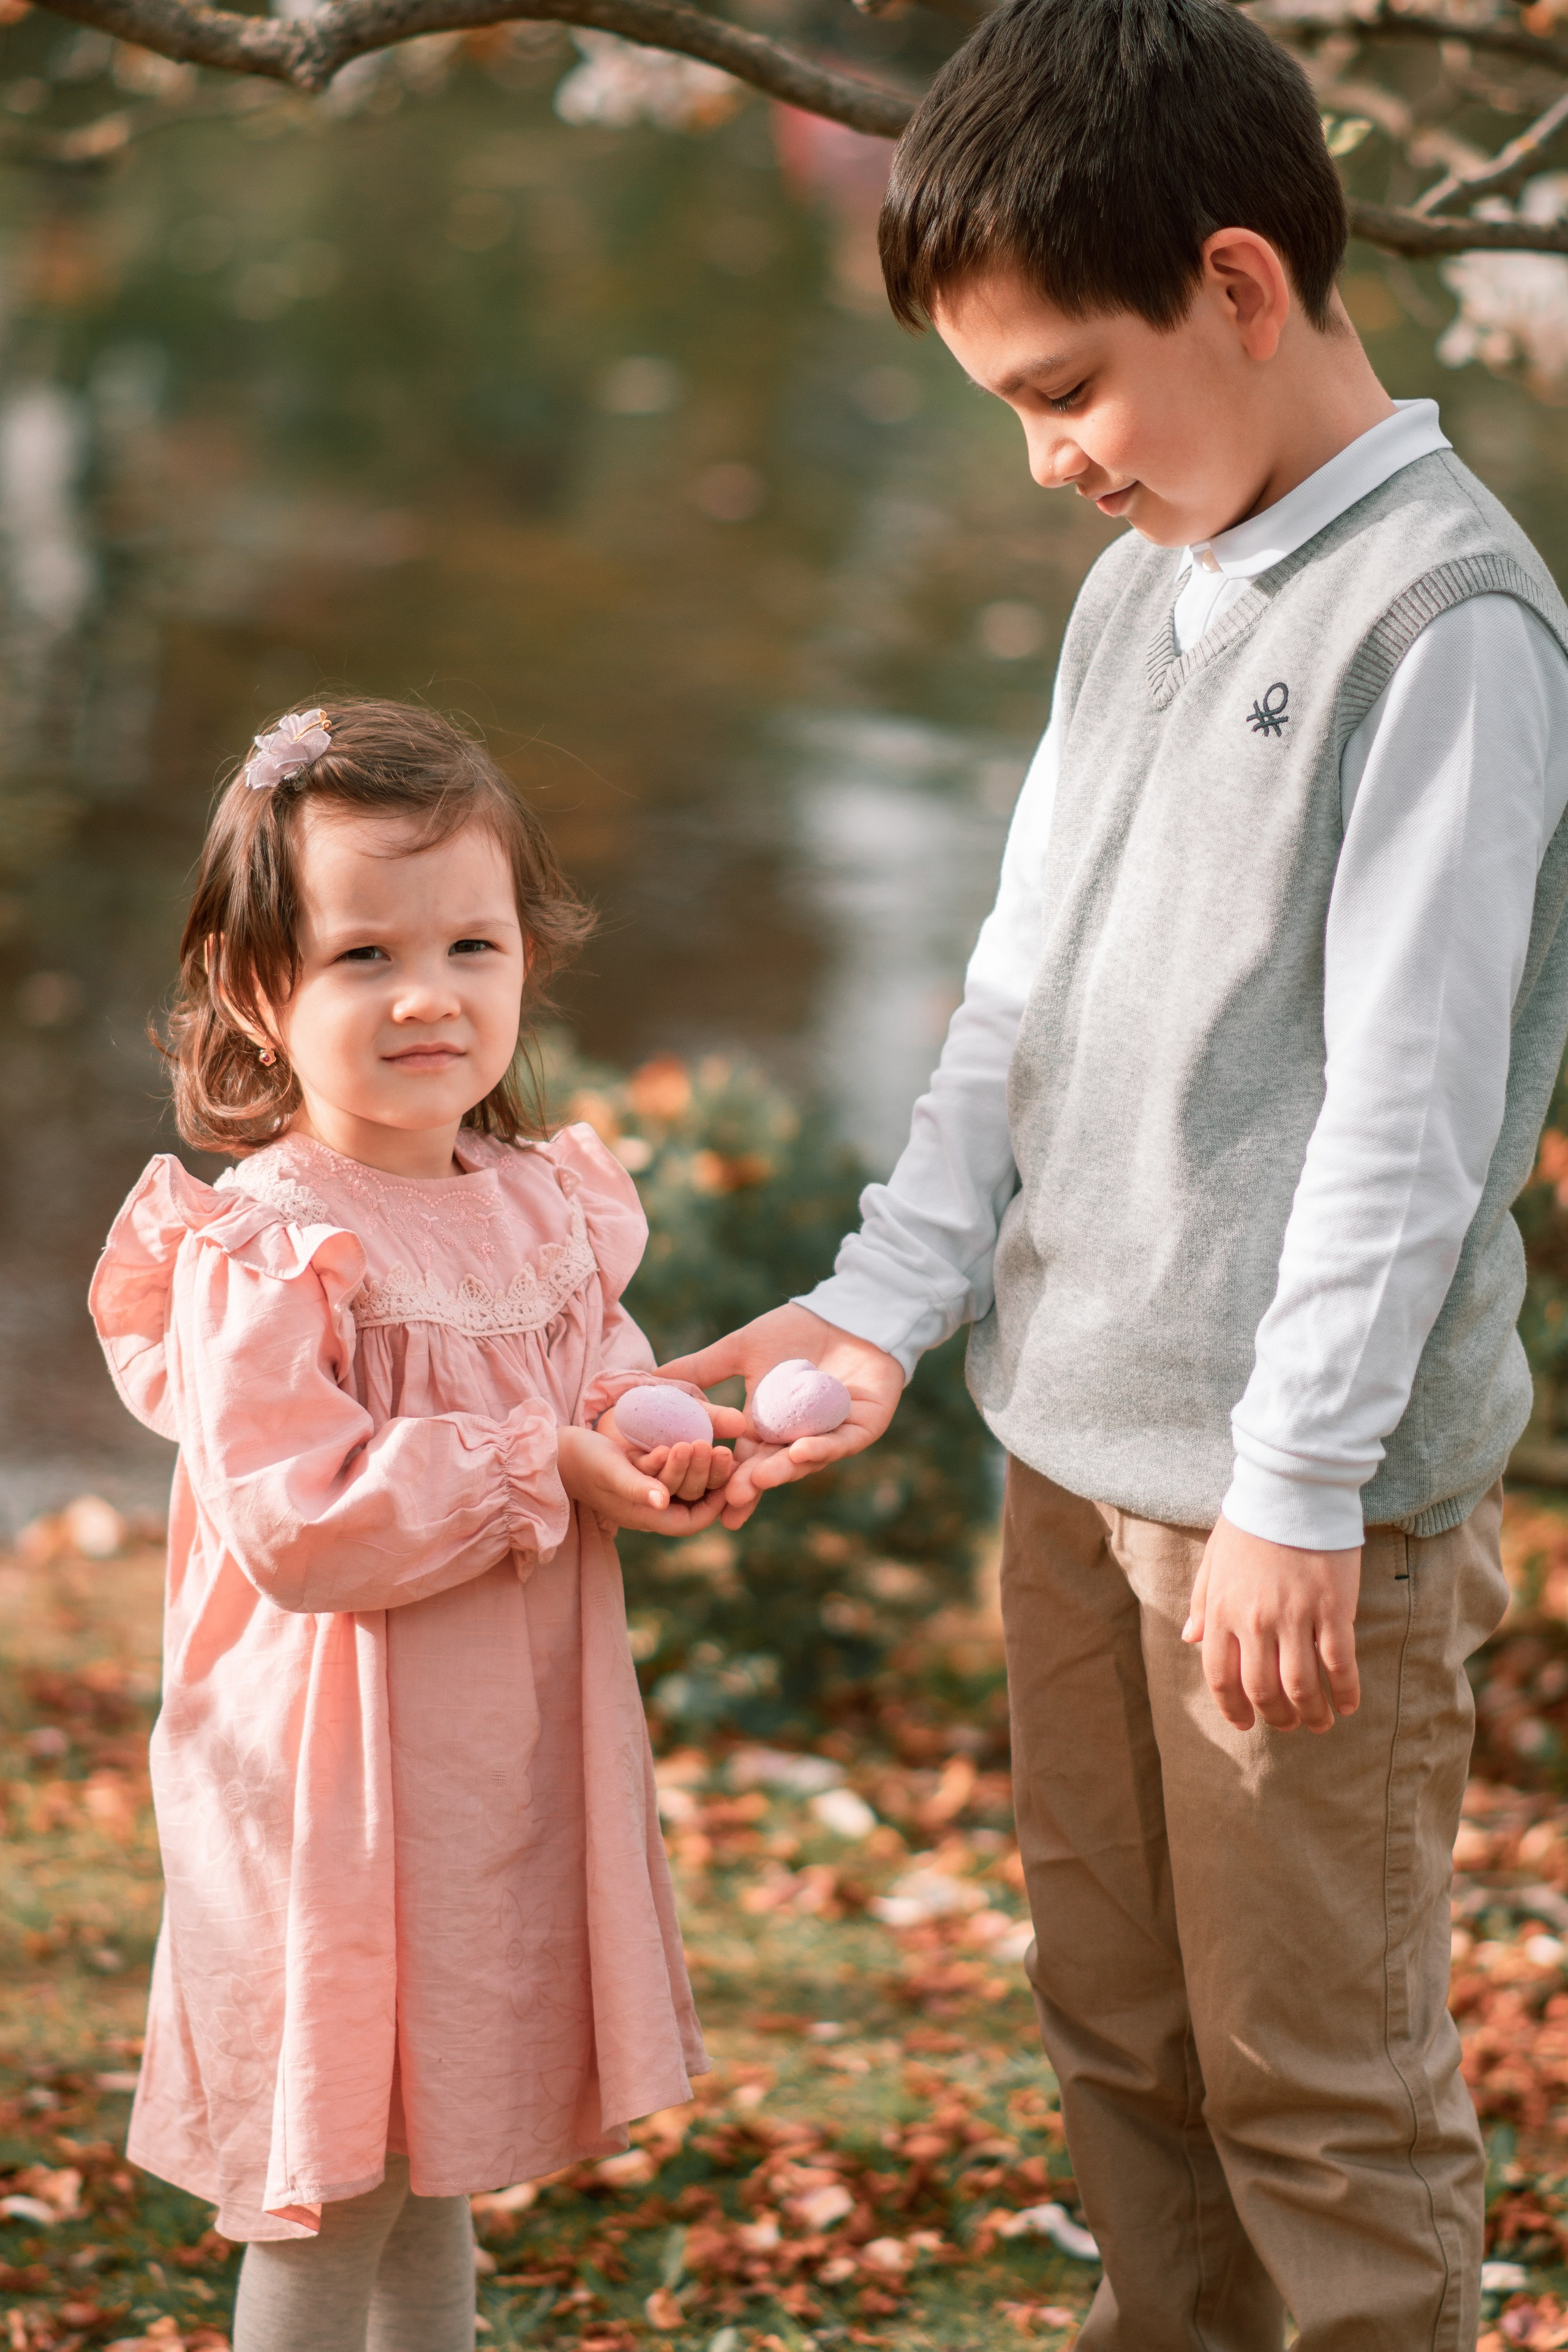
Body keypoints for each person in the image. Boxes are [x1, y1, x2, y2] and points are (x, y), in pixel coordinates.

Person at [669, 1, 1568, 2342]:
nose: (1050, 459)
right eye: (1016, 413)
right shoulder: (1136, 583)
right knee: (1129, 2052)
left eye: (1069, 388)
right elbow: (1018, 998)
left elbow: (1412, 1110)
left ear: (1243, 285)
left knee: (1317, 2091)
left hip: (1298, 1519)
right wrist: (885, 1308)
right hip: (1072, 1460)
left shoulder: (1449, 630)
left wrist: (1295, 1486)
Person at [89, 700, 738, 2352]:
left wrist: (663, 1449)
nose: (431, 995)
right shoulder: (268, 1245)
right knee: (336, 2182)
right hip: (331, 1795)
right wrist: (543, 1467)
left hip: (492, 1782)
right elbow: (298, 1528)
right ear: (260, 991)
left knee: (432, 2160)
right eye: (363, 956)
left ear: (529, 957)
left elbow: (597, 1383)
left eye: (473, 942)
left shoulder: (548, 1203)